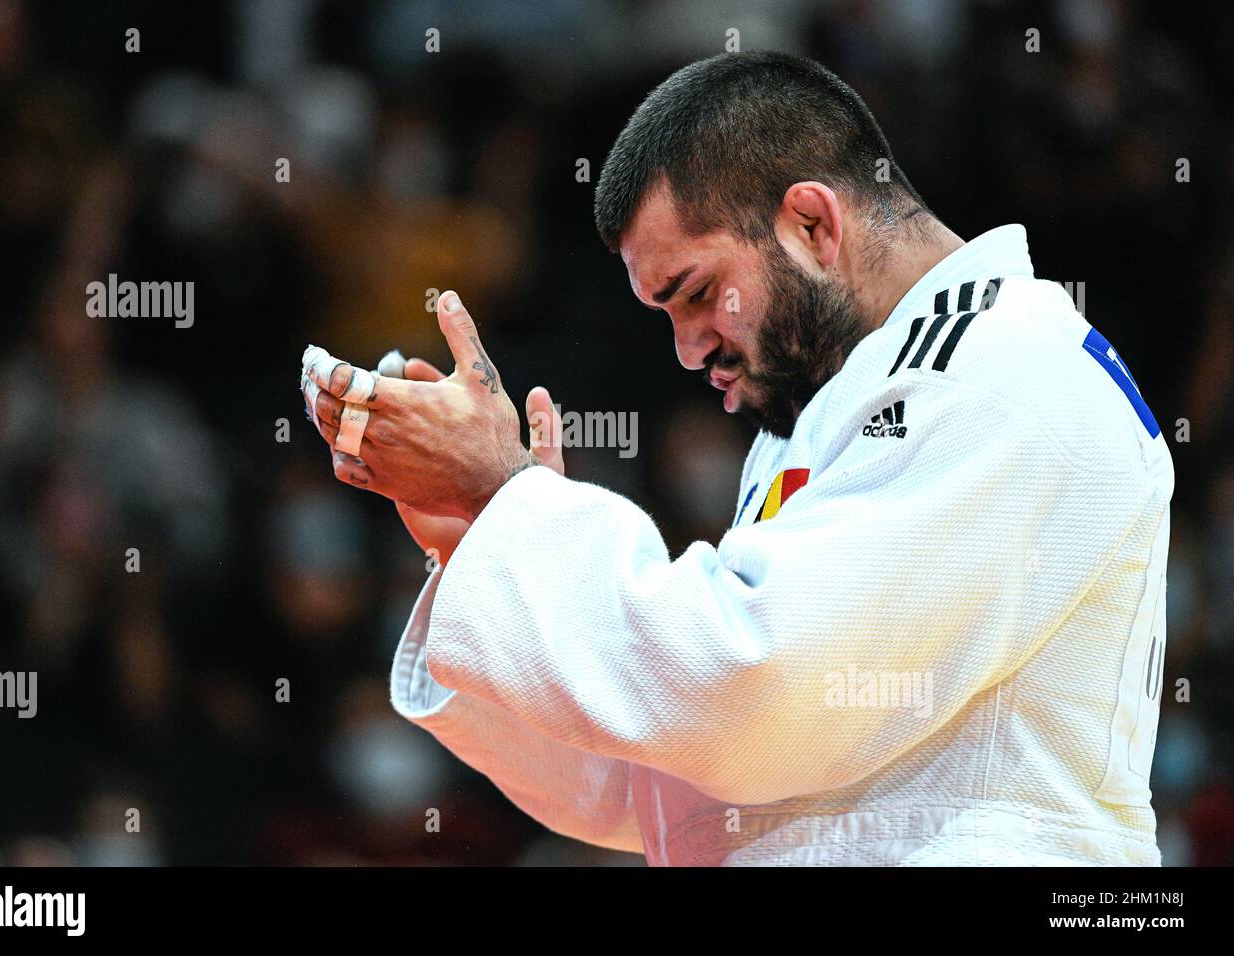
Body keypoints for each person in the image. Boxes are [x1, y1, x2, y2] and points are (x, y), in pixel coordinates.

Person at [302, 52, 1173, 865]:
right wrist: (487, 543)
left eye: (694, 294)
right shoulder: (824, 411)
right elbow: (671, 774)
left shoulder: (997, 363)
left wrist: (515, 505)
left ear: (810, 223)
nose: (687, 351)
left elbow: (761, 693)